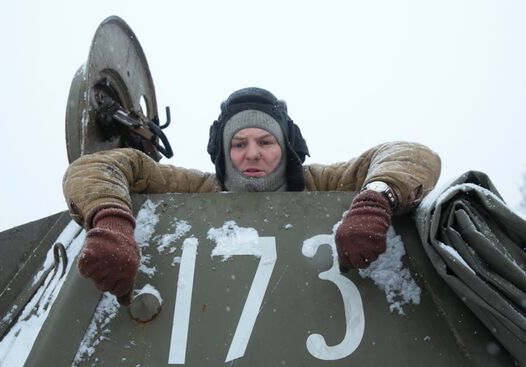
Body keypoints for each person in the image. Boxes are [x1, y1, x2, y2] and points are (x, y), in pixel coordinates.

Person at [63, 87, 441, 305]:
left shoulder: (320, 182)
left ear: (286, 146)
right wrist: (111, 220)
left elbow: (411, 155)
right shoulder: (196, 190)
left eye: (265, 141)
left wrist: (375, 200)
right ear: (223, 151)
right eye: (239, 143)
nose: (253, 154)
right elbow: (98, 167)